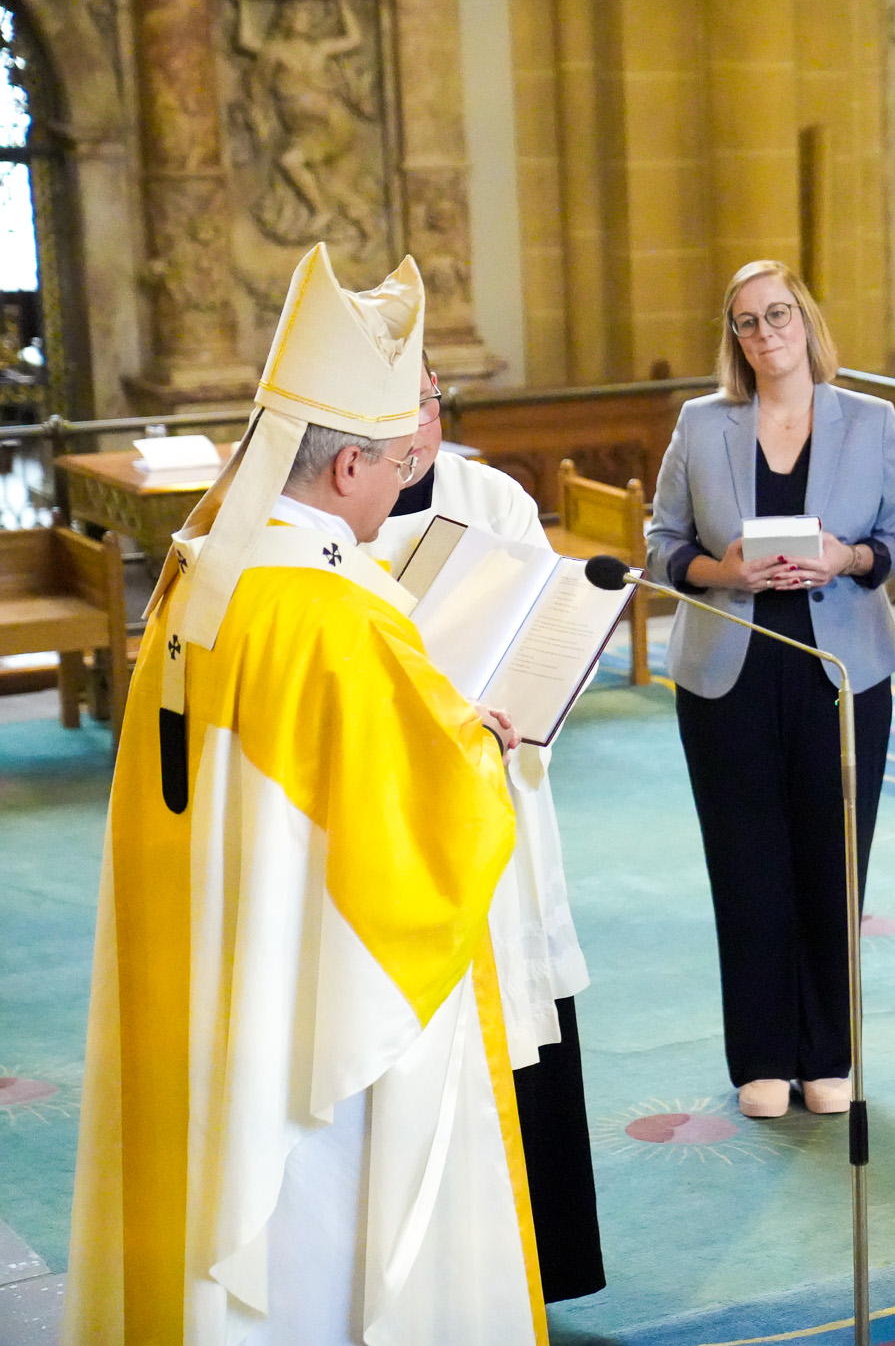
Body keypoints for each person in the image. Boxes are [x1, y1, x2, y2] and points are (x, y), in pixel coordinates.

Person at [63, 245, 548, 1346]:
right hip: (306, 1003)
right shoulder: (334, 616)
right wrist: (474, 747)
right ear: (345, 467)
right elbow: (418, 833)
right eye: (393, 462)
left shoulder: (201, 570)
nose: (402, 481)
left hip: (200, 952)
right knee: (312, 1250)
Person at [647, 259, 895, 1119]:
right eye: (746, 322)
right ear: (734, 338)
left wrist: (847, 557)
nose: (765, 333)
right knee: (747, 864)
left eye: (777, 314)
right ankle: (762, 1054)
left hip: (840, 672)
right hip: (728, 670)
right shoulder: (702, 424)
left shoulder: (870, 421)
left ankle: (827, 1051)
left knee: (833, 864)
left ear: (805, 319)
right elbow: (662, 541)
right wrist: (718, 570)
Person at [364, 356, 604, 1303]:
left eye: (426, 401)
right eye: (394, 407)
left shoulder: (491, 497)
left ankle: (544, 1264)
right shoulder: (335, 526)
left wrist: (522, 699)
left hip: (496, 789)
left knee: (519, 1014)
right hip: (401, 810)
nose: (415, 427)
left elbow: (549, 628)